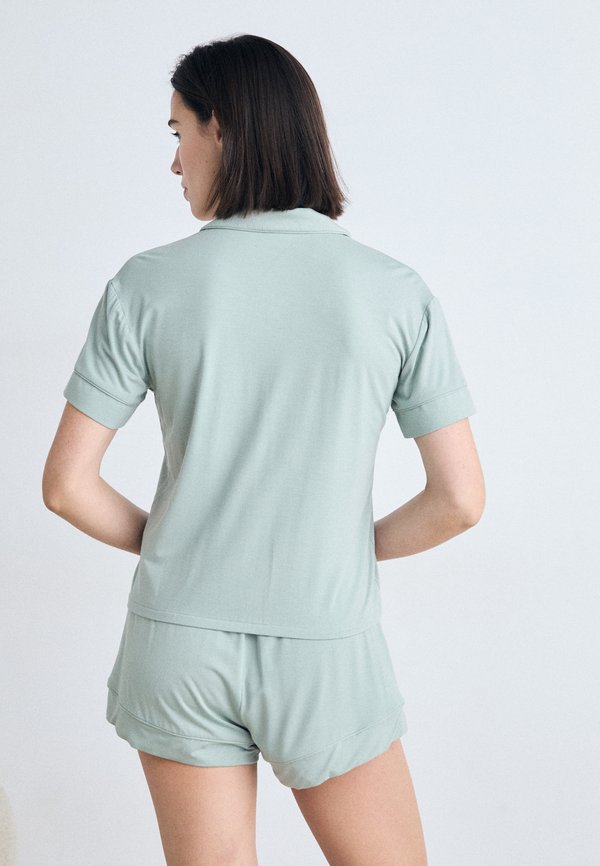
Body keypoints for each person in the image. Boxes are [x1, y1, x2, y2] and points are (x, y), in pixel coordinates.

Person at [42, 33, 485, 866]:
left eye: (178, 133)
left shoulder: (145, 283)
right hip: (326, 643)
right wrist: (347, 548)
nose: (174, 162)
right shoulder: (394, 292)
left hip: (178, 643)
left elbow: (67, 486)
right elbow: (459, 500)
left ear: (222, 127)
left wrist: (185, 543)